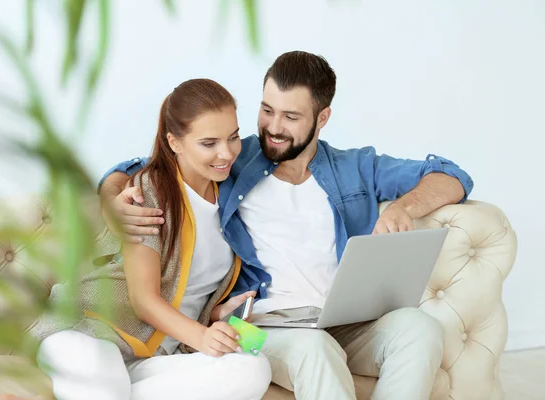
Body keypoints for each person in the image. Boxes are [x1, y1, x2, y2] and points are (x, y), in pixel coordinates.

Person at [99, 52, 474, 400]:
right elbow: (134, 168)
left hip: (343, 319)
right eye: (266, 111)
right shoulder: (231, 158)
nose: (274, 128)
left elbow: (450, 175)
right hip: (257, 326)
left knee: (419, 328)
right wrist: (113, 201)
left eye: (291, 117)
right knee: (314, 349)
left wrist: (403, 207)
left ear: (322, 117)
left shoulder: (356, 166)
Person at [0, 78, 272, 400]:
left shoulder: (231, 199)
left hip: (152, 357)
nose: (227, 153)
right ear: (175, 142)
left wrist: (216, 315)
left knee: (252, 368)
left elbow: (187, 286)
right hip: (88, 332)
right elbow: (144, 301)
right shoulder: (150, 190)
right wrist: (202, 336)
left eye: (233, 137)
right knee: (105, 382)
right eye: (209, 143)